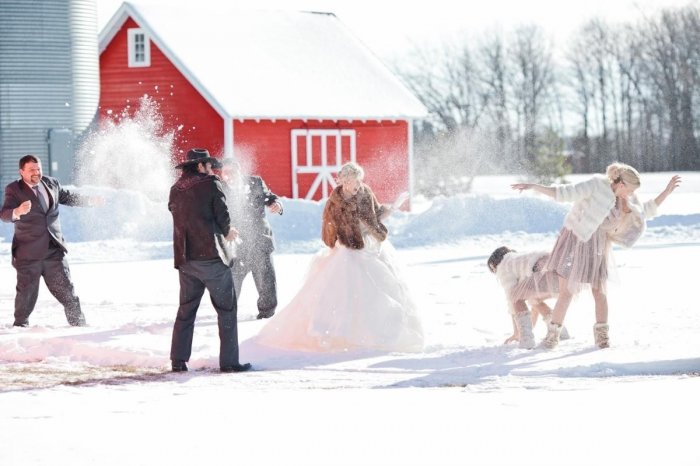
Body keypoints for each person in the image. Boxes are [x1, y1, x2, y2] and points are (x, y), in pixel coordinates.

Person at [256, 161, 423, 352]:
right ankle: (339, 332)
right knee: (344, 290)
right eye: (355, 181)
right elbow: (328, 228)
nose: (359, 184)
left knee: (380, 287)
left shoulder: (366, 193)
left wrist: (392, 207)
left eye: (360, 180)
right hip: (347, 249)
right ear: (345, 181)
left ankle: (377, 330)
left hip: (369, 246)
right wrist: (337, 241)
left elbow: (375, 216)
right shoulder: (334, 202)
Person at [512, 164, 681, 349]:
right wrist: (534, 186)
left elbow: (645, 211)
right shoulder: (597, 185)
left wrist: (666, 192)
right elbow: (564, 193)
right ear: (622, 183)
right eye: (630, 190)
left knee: (599, 292)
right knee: (566, 292)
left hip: (597, 247)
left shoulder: (626, 199)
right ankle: (552, 338)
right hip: (575, 242)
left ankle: (602, 339)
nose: (630, 194)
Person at [168, 148, 251, 373]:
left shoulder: (175, 189)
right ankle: (230, 362)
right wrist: (228, 230)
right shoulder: (211, 183)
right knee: (227, 309)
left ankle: (178, 360)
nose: (211, 169)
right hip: (211, 258)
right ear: (199, 166)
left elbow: (177, 214)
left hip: (185, 260)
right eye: (207, 165)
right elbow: (221, 211)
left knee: (186, 311)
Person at [0, 155, 98, 327]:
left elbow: (68, 197)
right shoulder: (14, 189)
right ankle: (20, 328)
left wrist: (89, 200)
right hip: (28, 253)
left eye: (38, 169)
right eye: (31, 170)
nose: (36, 173)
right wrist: (17, 211)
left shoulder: (51, 183)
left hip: (53, 250)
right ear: (21, 172)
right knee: (26, 295)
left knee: (67, 291)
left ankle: (79, 325)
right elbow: (5, 214)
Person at [220, 158, 283, 320]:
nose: (228, 176)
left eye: (231, 172)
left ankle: (267, 315)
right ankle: (227, 315)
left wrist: (276, 204)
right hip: (236, 247)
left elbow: (269, 197)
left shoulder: (255, 182)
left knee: (266, 284)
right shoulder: (220, 189)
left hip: (260, 243)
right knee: (230, 286)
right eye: (224, 173)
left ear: (239, 171)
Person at [487, 246, 570, 349]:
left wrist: (517, 333)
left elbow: (512, 298)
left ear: (494, 265)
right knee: (534, 300)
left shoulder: (504, 265)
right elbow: (533, 308)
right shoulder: (518, 259)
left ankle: (526, 340)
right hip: (563, 274)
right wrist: (528, 329)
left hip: (542, 272)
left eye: (493, 271)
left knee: (516, 298)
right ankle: (560, 332)